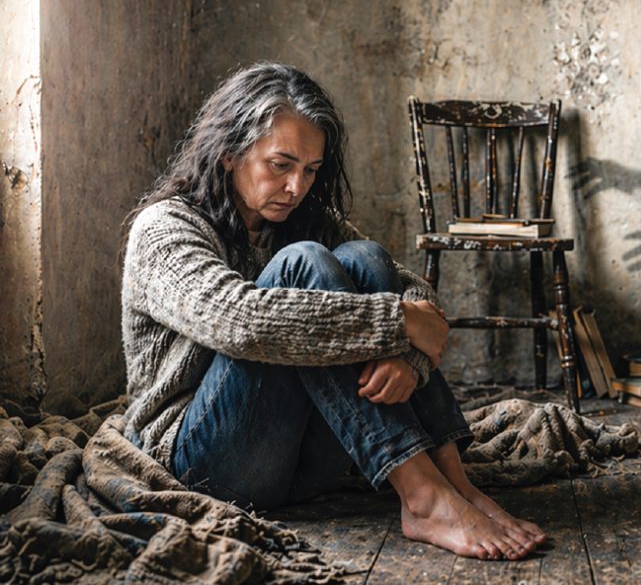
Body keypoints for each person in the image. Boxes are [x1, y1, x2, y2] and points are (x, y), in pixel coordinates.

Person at [121, 62, 545, 560]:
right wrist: (396, 325)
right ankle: (423, 496)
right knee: (305, 263)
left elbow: (413, 290)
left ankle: (454, 483)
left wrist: (405, 360)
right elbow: (239, 321)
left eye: (310, 170)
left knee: (364, 258)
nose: (296, 187)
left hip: (305, 465)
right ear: (229, 153)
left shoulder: (300, 216)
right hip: (205, 464)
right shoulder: (164, 227)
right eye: (280, 165)